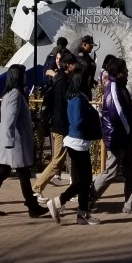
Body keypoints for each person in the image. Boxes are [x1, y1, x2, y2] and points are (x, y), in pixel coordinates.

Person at [0, 64, 46, 218]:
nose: (25, 77)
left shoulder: (10, 93)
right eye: (23, 74)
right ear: (18, 76)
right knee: (22, 173)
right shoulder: (15, 94)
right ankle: (32, 206)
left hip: (11, 141)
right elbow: (10, 118)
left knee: (4, 172)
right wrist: (9, 140)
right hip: (14, 142)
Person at [90, 56, 132, 215]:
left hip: (124, 137)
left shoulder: (120, 86)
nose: (128, 72)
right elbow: (118, 114)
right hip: (117, 137)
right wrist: (128, 131)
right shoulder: (114, 88)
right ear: (119, 73)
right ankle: (88, 197)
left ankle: (131, 204)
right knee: (111, 171)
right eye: (125, 70)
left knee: (131, 169)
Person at [46, 69, 102, 225]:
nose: (91, 82)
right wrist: (91, 120)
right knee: (83, 181)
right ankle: (58, 201)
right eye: (88, 79)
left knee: (84, 180)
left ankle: (82, 213)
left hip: (79, 143)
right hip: (77, 143)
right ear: (81, 81)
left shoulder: (77, 97)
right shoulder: (77, 99)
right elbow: (77, 121)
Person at [33, 49, 78, 197]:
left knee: (73, 158)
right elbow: (62, 108)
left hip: (62, 126)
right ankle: (37, 188)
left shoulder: (61, 80)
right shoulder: (62, 82)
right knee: (57, 161)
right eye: (74, 64)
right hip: (61, 127)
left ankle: (77, 189)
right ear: (69, 65)